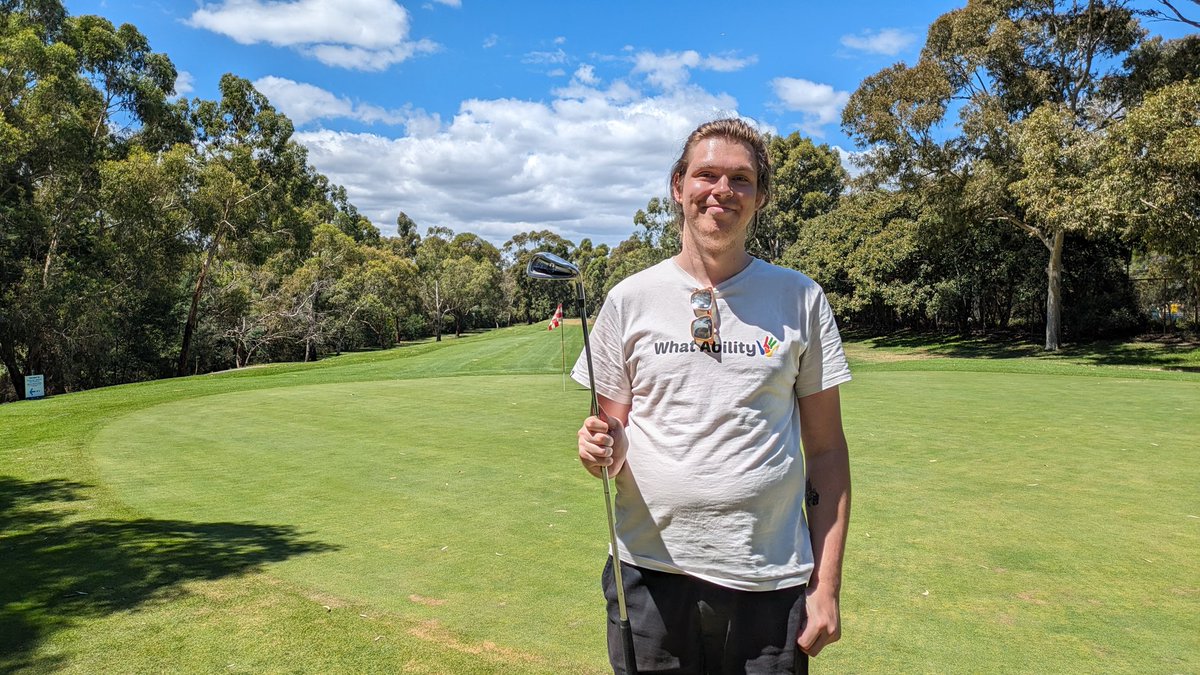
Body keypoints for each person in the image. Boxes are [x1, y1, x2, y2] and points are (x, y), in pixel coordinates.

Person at [572, 118, 852, 674]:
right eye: (706, 174)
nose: (722, 191)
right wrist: (599, 447)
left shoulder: (801, 298)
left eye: (741, 179)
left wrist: (826, 587)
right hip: (649, 575)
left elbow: (826, 452)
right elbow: (612, 439)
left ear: (760, 196)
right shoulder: (629, 299)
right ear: (678, 186)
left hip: (769, 583)